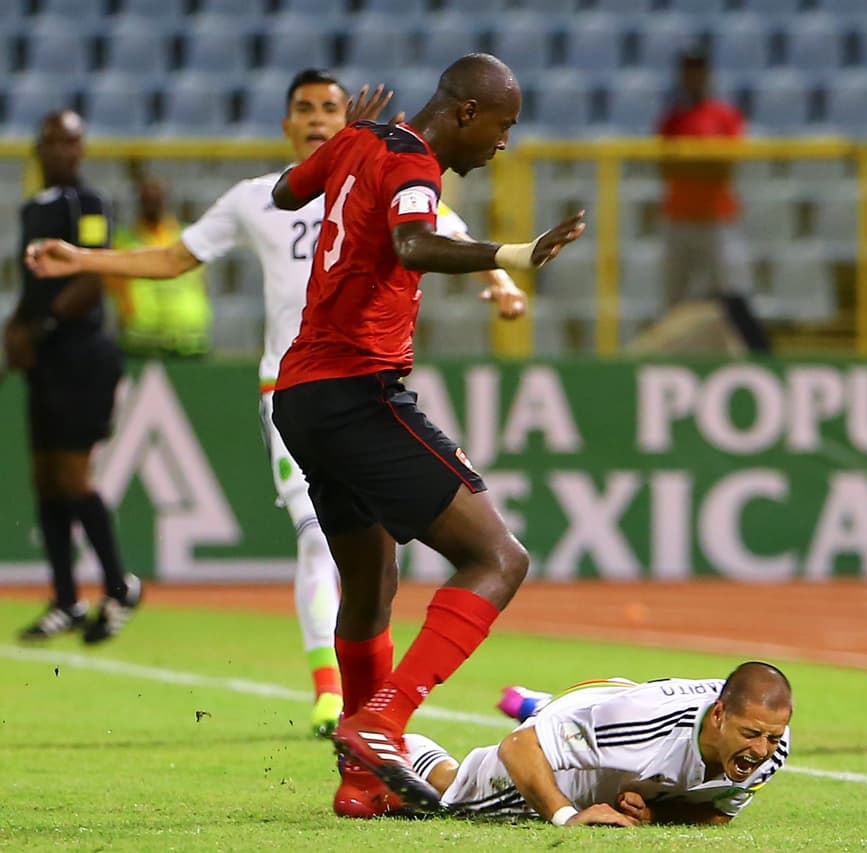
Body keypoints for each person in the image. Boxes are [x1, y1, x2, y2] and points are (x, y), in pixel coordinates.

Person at [24, 69, 520, 741]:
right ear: (287, 123)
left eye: (330, 108)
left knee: (372, 579)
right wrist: (84, 259)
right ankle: (346, 705)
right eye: (304, 108)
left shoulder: (377, 163)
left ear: (349, 116)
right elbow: (174, 259)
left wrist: (500, 284)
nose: (318, 118)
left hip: (317, 392)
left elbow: (443, 226)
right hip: (318, 388)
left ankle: (360, 754)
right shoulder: (259, 196)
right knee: (341, 544)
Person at [267, 53, 586, 817]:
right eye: (504, 127)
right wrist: (511, 253)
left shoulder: (362, 141)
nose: (504, 145)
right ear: (468, 113)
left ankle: (360, 782)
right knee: (499, 557)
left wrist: (348, 139)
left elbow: (286, 191)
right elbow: (413, 244)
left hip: (301, 396)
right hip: (358, 390)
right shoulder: (415, 163)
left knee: (371, 587)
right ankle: (384, 719)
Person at [4, 111, 142, 645]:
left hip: (81, 354)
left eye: (72, 142)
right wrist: (15, 332)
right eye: (53, 142)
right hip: (46, 357)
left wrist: (38, 328)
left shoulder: (87, 206)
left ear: (82, 149)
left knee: (71, 475)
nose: (63, 151)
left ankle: (118, 584)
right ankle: (65, 598)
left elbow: (93, 275)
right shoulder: (34, 209)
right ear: (39, 149)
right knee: (45, 478)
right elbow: (32, 285)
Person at [402, 662, 792, 826]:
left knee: (601, 733)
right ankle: (396, 744)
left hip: (614, 715)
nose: (761, 750)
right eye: (751, 735)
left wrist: (656, 815)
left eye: (772, 737)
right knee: (450, 798)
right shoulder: (645, 726)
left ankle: (541, 707)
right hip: (612, 716)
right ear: (719, 716)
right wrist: (566, 815)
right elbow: (519, 746)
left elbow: (718, 812)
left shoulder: (773, 745)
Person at [655, 47, 752, 313]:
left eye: (698, 69)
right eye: (688, 69)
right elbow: (666, 168)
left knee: (729, 293)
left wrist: (689, 163)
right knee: (674, 296)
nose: (693, 75)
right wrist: (705, 161)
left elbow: (727, 167)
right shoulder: (672, 119)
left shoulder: (725, 116)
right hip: (679, 218)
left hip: (717, 218)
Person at [107, 176, 212, 358]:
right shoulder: (122, 241)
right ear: (138, 201)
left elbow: (201, 284)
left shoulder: (188, 238)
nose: (153, 202)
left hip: (188, 339)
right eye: (147, 198)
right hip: (141, 340)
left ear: (166, 199)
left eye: (158, 197)